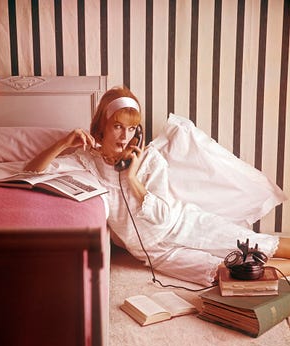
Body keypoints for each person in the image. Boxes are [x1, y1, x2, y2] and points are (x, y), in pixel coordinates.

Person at [25, 86, 290, 286]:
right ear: (101, 126)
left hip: (183, 224)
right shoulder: (87, 162)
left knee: (259, 247)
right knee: (234, 274)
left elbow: (162, 215)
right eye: (117, 126)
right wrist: (63, 143)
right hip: (155, 253)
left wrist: (133, 178)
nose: (124, 136)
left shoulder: (150, 159)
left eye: (131, 129)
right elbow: (31, 171)